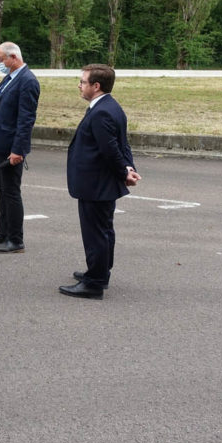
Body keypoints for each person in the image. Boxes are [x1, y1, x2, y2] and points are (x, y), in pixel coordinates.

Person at [61, 64, 141, 300]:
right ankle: (99, 272)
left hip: (95, 184)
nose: (79, 85)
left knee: (96, 233)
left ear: (96, 86)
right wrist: (128, 168)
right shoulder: (110, 106)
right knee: (103, 230)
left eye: (83, 82)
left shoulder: (102, 112)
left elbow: (111, 150)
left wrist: (124, 171)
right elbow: (121, 145)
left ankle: (94, 283)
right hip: (100, 183)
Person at [0, 41, 40, 254]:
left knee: (11, 191)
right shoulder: (11, 77)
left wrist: (19, 150)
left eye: (1, 59)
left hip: (11, 147)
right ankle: (3, 231)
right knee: (1, 189)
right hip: (0, 143)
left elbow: (26, 120)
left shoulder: (27, 81)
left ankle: (15, 239)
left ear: (13, 57)